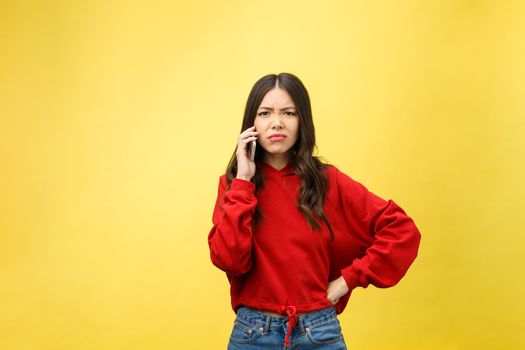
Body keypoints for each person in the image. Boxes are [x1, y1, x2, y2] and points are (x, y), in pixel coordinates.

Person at [207, 73, 421, 349]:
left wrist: (347, 280)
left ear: (302, 122)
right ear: (252, 123)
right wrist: (244, 181)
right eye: (265, 113)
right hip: (253, 334)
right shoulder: (234, 186)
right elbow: (228, 259)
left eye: (289, 113)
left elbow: (401, 230)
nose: (277, 123)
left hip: (318, 332)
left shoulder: (327, 181)